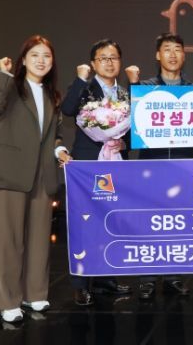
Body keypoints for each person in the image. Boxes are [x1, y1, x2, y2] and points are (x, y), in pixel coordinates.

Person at [0, 35, 71, 323]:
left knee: (38, 239)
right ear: (23, 60)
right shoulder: (11, 86)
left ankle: (34, 293)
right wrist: (4, 74)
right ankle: (8, 300)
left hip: (42, 175)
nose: (41, 60)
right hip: (9, 173)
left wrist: (59, 149)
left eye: (46, 56)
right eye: (35, 55)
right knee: (8, 241)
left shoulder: (52, 94)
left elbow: (54, 135)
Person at [60, 39, 132, 306]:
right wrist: (80, 79)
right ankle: (80, 284)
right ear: (93, 63)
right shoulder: (85, 88)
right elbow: (68, 109)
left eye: (114, 57)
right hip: (88, 165)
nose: (109, 63)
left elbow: (134, 131)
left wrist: (124, 144)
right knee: (84, 223)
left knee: (110, 220)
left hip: (115, 163)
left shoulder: (125, 93)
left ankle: (105, 280)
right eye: (103, 58)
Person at [125, 33, 192, 300]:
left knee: (178, 224)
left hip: (182, 166)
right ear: (158, 55)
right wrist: (132, 86)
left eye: (177, 49)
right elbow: (131, 121)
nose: (172, 55)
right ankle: (148, 278)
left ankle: (174, 276)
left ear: (184, 55)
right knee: (149, 223)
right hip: (150, 167)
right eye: (167, 49)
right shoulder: (144, 88)